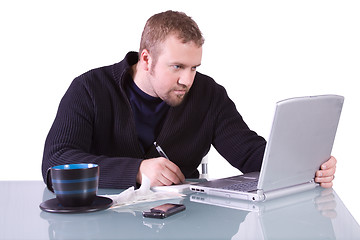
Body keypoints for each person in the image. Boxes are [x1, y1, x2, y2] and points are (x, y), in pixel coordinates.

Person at [41, 10, 336, 189]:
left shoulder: (209, 95)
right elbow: (56, 162)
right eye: (177, 67)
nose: (188, 80)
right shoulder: (90, 89)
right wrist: (137, 170)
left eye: (194, 67)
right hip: (103, 223)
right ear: (146, 59)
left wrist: (305, 165)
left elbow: (249, 153)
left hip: (183, 221)